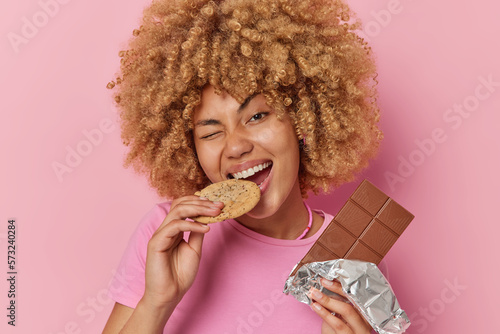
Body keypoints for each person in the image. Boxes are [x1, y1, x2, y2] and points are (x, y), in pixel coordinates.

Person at [103, 0, 382, 333]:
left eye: (257, 116)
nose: (235, 145)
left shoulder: (355, 248)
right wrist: (157, 302)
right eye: (210, 132)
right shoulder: (168, 235)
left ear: (303, 120)